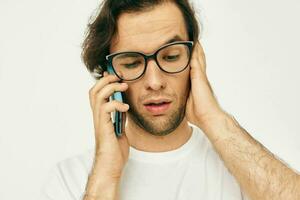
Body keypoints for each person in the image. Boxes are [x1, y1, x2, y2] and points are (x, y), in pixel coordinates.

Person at [40, 0, 300, 199]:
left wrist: (214, 119)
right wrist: (107, 174)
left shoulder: (245, 168)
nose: (155, 81)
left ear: (195, 58)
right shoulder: (70, 180)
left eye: (171, 57)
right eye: (132, 62)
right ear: (108, 76)